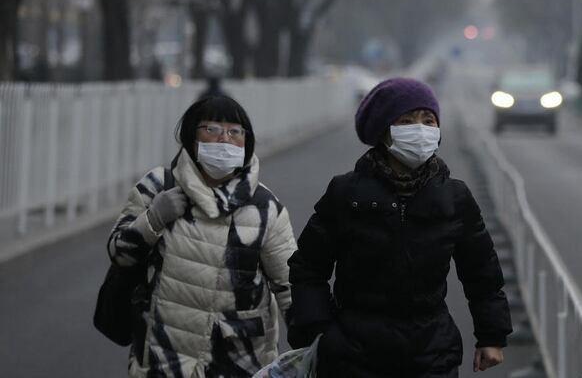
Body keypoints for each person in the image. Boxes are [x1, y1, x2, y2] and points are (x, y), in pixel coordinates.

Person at [287, 78, 512, 377]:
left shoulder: (455, 197)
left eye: (428, 121)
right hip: (352, 355)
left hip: (432, 353)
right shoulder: (346, 193)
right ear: (383, 131)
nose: (419, 130)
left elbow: (482, 273)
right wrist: (318, 330)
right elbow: (308, 268)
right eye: (406, 121)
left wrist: (491, 336)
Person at [107, 95, 296, 377]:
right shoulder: (158, 186)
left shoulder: (264, 208)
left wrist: (313, 345)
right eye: (212, 129)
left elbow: (289, 286)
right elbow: (118, 253)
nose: (224, 140)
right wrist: (154, 218)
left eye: (235, 132)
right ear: (191, 137)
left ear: (247, 142)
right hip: (164, 359)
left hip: (240, 362)